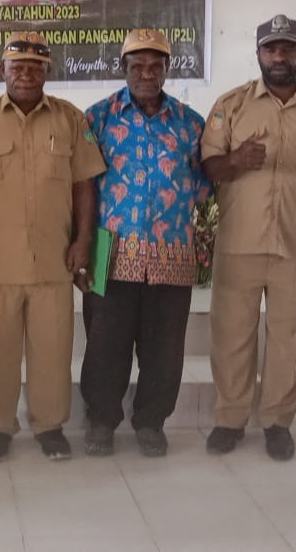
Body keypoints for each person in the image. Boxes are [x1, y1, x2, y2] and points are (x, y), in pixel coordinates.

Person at [199, 14, 296, 461]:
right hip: (238, 244)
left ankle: (277, 422)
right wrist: (235, 161)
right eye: (271, 48)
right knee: (232, 337)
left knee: (291, 338)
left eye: (288, 48)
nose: (279, 56)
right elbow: (208, 167)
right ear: (258, 54)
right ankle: (230, 419)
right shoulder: (232, 105)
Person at [0, 31, 107, 462]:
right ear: (2, 70)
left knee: (53, 350)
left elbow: (84, 185)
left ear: (47, 71)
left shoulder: (70, 119)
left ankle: (50, 426)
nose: (25, 73)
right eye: (17, 66)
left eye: (35, 67)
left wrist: (83, 240)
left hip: (53, 259)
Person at [80, 28, 210, 457]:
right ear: (123, 68)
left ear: (168, 69)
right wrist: (81, 247)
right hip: (110, 251)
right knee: (105, 344)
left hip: (172, 254)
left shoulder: (191, 124)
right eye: (137, 66)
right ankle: (101, 421)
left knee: (164, 349)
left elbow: (205, 187)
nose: (147, 74)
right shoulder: (97, 119)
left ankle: (151, 422)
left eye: (156, 66)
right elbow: (81, 188)